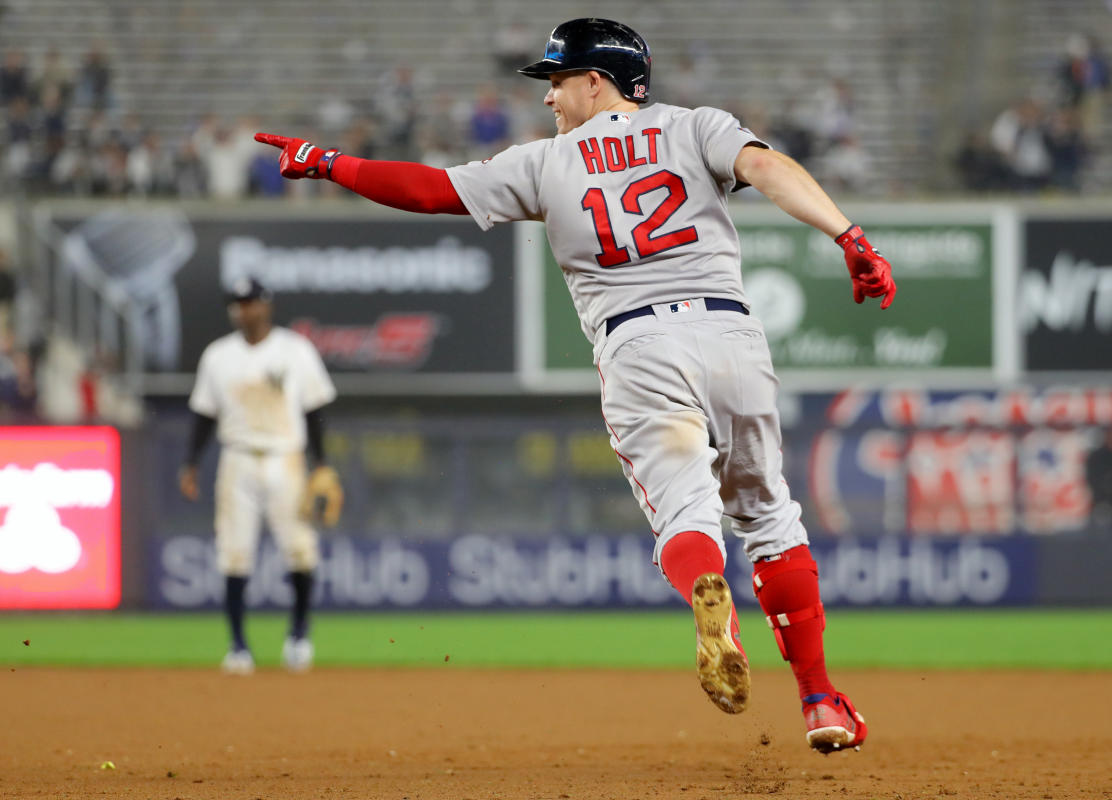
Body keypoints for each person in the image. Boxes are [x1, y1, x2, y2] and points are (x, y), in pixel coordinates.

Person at [254, 18, 894, 752]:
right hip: (730, 334)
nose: (550, 97)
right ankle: (820, 702)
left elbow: (431, 192)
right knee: (769, 515)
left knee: (687, 518)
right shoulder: (696, 127)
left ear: (598, 80)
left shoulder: (548, 162)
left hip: (639, 343)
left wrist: (329, 163)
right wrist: (847, 235)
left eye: (558, 80)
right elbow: (769, 169)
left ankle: (708, 599)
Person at [179, 277, 342, 675]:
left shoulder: (295, 350)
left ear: (266, 305)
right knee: (234, 554)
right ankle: (238, 647)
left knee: (300, 550)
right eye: (238, 303)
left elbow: (314, 409)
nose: (244, 310)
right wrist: (192, 463)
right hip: (238, 459)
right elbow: (204, 414)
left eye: (250, 302)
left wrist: (321, 463)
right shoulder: (218, 356)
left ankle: (299, 637)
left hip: (286, 456)